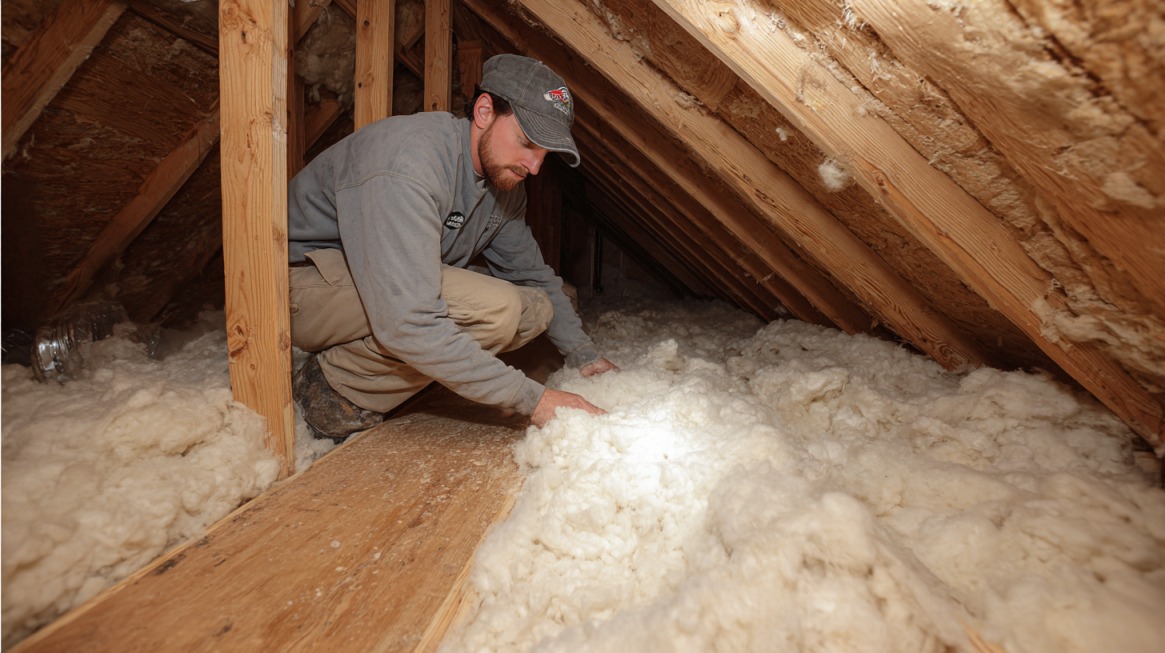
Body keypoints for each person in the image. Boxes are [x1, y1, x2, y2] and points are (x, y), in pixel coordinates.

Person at [287, 53, 618, 440]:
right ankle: (331, 389)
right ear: (483, 111)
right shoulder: (410, 163)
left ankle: (366, 364)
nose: (534, 166)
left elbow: (532, 274)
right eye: (527, 142)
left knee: (534, 307)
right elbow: (410, 320)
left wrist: (584, 354)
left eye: (545, 154)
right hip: (301, 292)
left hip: (370, 287)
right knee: (496, 309)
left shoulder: (503, 186)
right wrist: (535, 401)